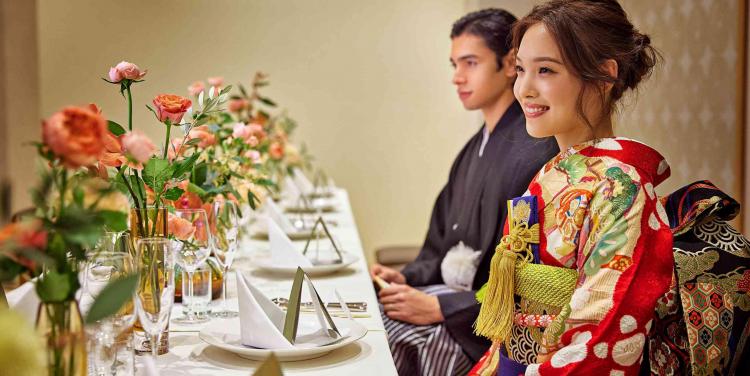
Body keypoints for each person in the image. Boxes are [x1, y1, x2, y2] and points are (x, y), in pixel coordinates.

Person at [470, 1, 674, 375]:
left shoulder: (622, 189)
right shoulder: (551, 172)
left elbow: (602, 335)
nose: (524, 89)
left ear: (603, 76)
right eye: (520, 70)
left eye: (545, 70)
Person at [370, 8, 558, 375]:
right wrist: (407, 277)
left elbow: (529, 278)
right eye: (454, 64)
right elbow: (439, 243)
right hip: (451, 301)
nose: (457, 77)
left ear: (508, 65)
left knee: (388, 339)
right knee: (369, 323)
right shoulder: (472, 151)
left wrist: (445, 308)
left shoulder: (538, 152)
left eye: (470, 62)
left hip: (478, 323)